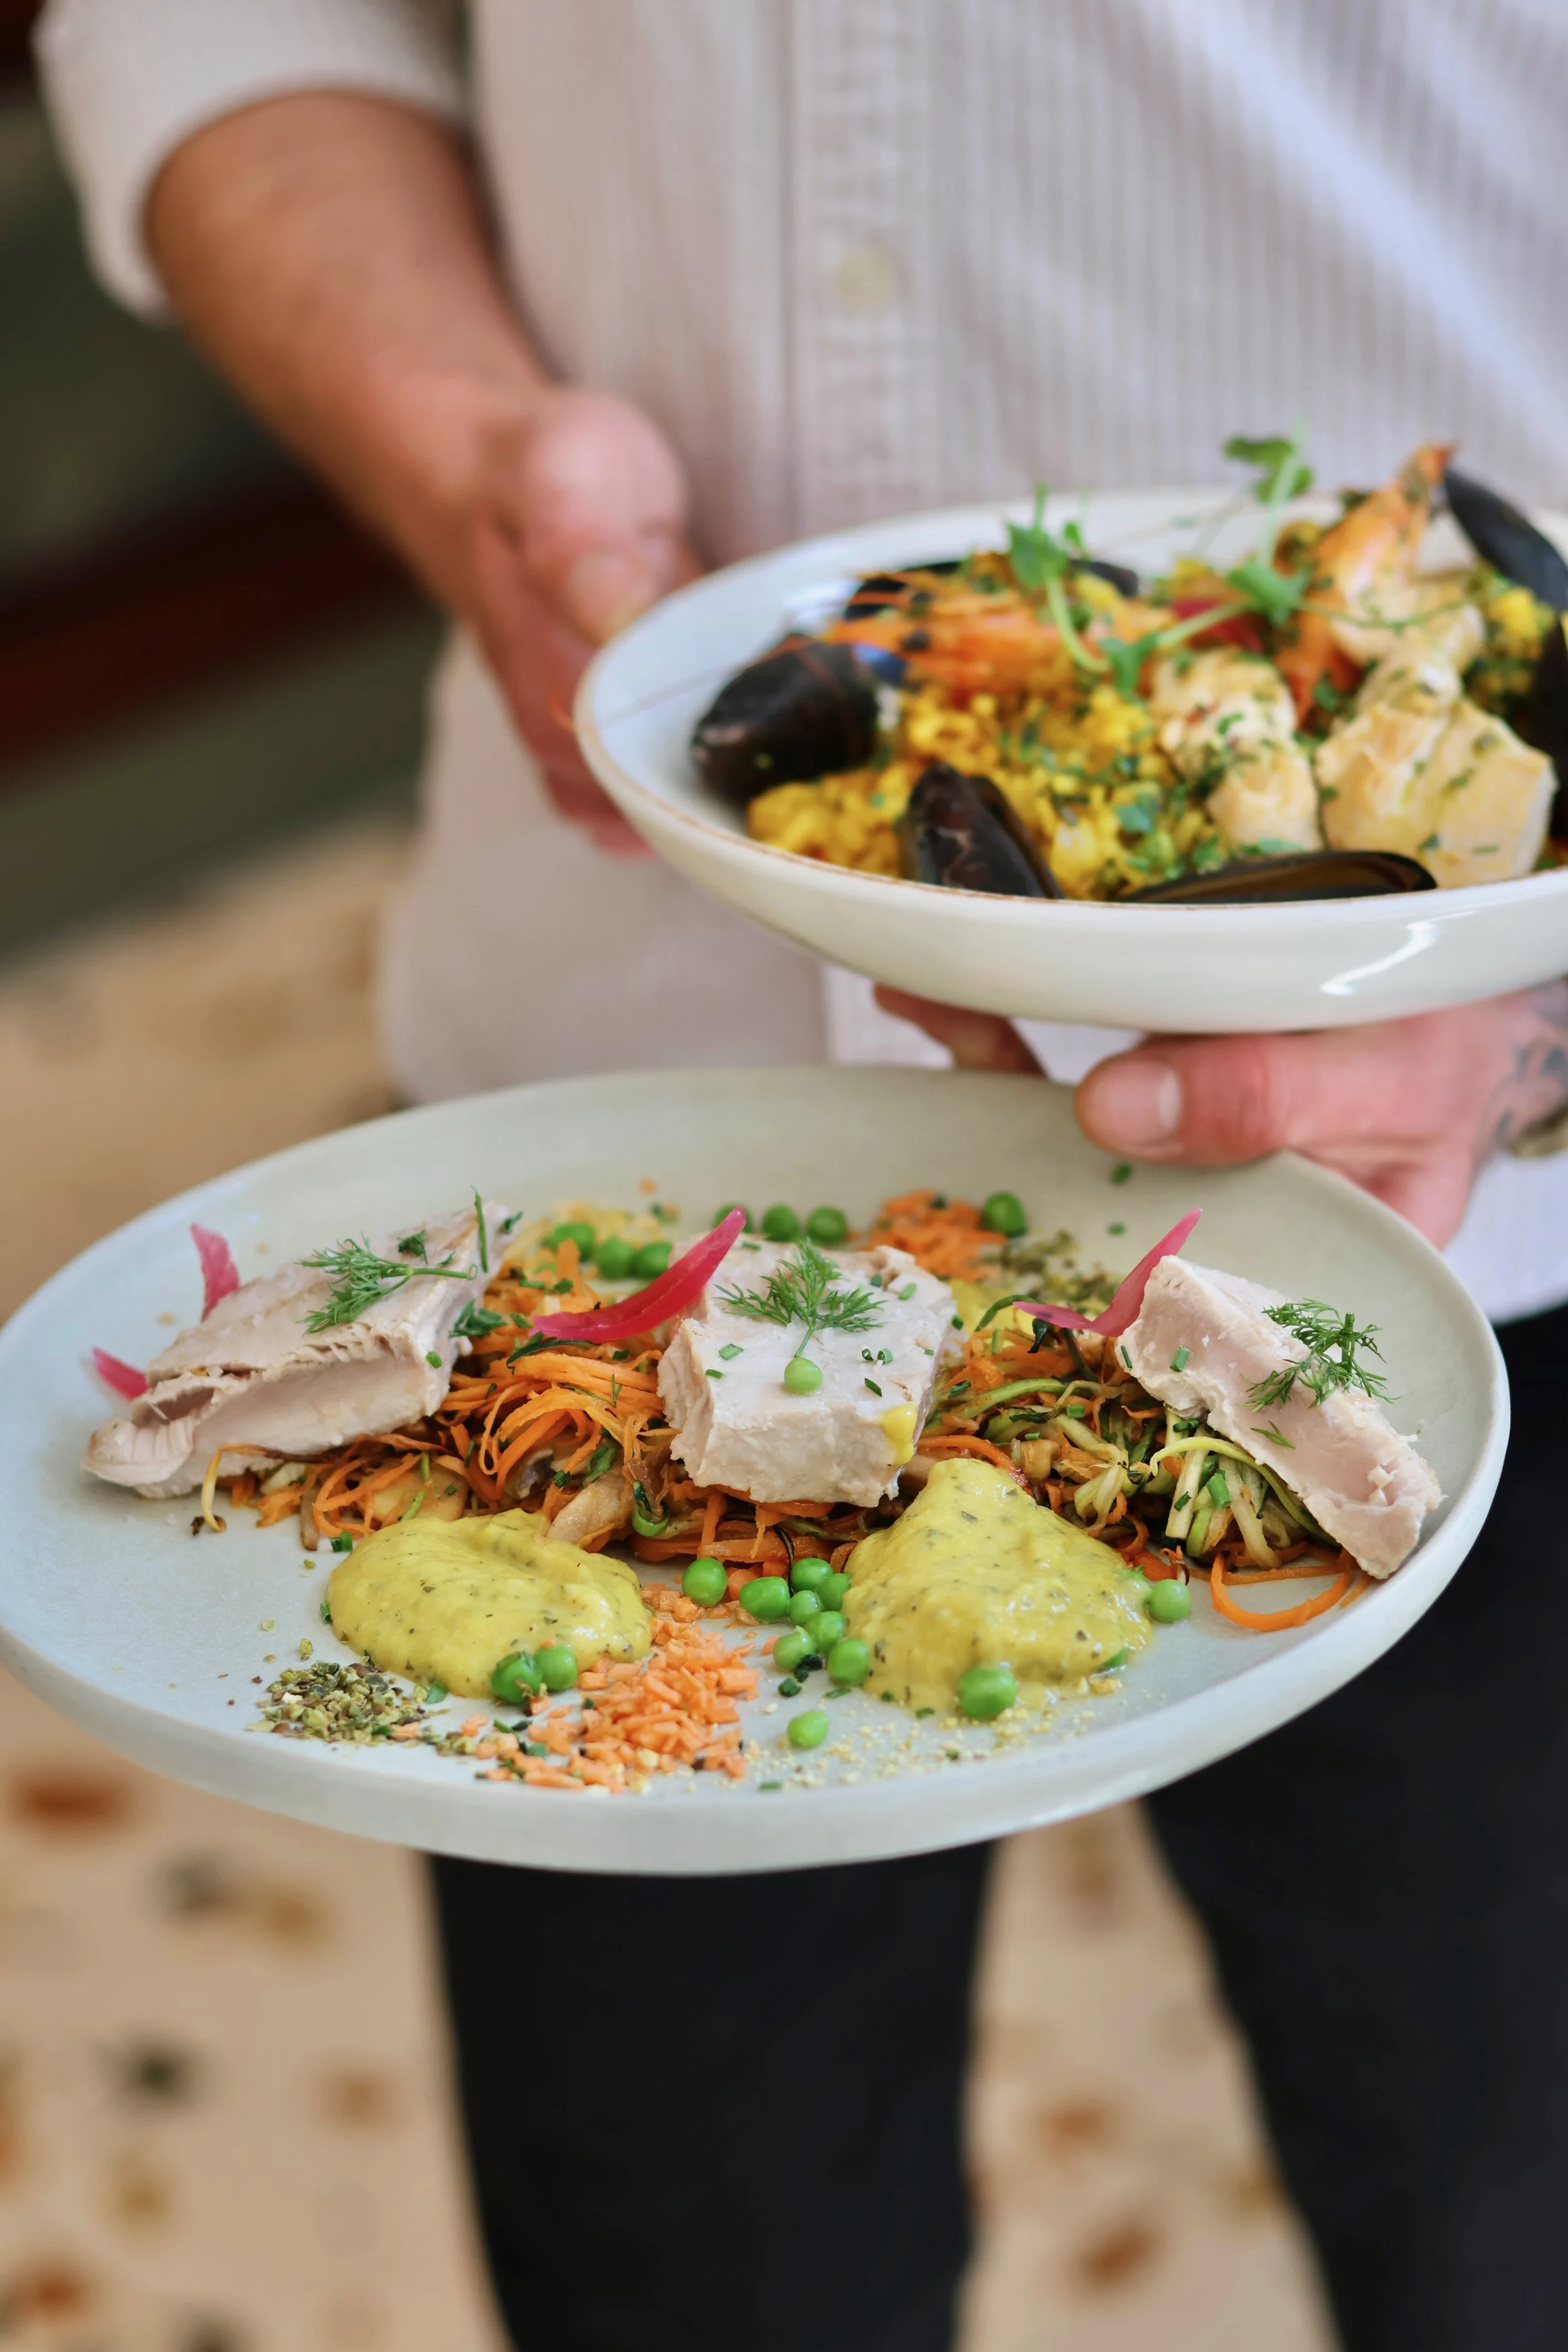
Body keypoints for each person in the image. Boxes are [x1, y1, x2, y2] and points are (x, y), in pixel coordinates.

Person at [37, 7, 1568, 2348]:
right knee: (680, 2267)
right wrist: (455, 438)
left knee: (1508, 2216)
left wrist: (1531, 970)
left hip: (1483, 1227)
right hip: (600, 1178)